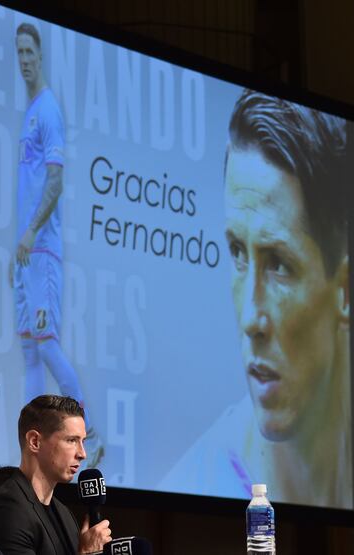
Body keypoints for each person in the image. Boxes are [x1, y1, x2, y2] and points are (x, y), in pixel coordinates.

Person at [160, 89, 352, 509]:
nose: (251, 319)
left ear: (344, 289)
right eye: (237, 253)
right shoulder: (199, 479)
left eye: (279, 264)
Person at [11, 22, 103, 468]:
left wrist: (30, 233)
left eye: (30, 51)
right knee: (29, 346)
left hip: (41, 249)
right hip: (26, 253)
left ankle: (85, 425)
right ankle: (31, 446)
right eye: (19, 52)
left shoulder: (48, 110)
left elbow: (55, 179)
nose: (24, 58)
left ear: (40, 56)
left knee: (46, 344)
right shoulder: (30, 109)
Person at [0, 395, 112, 554]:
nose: (82, 454)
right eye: (71, 440)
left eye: (82, 441)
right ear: (35, 441)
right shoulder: (8, 508)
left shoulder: (64, 514)